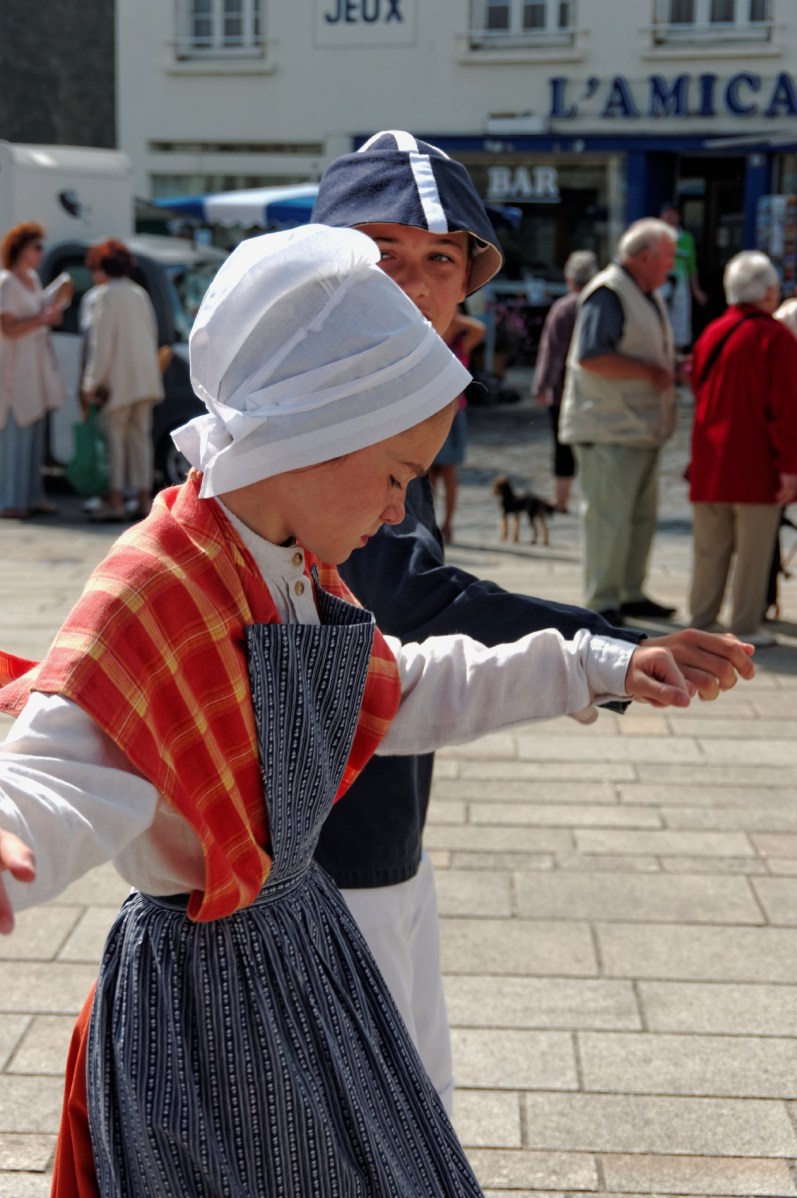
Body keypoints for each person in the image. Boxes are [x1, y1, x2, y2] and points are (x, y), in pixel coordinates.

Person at [0, 224, 698, 1197]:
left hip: (302, 959)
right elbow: (67, 751)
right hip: (203, 1018)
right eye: (396, 478)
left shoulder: (291, 567)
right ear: (308, 436)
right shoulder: (159, 583)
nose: (397, 511)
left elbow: (402, 686)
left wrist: (592, 662)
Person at [311, 133, 756, 1115]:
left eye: (439, 259)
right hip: (313, 857)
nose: (416, 285)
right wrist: (606, 643)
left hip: (372, 823)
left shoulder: (372, 387)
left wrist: (600, 652)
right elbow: (405, 603)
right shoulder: (314, 404)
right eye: (382, 253)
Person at [559, 217, 679, 626]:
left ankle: (628, 592)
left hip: (636, 428)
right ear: (643, 257)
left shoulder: (644, 292)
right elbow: (592, 355)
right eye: (666, 258)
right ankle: (603, 600)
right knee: (609, 518)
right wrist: (649, 371)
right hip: (608, 427)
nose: (671, 266)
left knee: (638, 518)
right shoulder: (609, 292)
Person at [688, 250, 797, 646]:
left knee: (709, 549)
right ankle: (746, 625)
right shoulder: (776, 337)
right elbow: (785, 408)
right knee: (753, 553)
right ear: (769, 292)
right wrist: (790, 467)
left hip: (710, 458)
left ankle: (702, 619)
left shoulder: (712, 331)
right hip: (755, 462)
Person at [81, 239, 165, 521]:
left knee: (115, 440)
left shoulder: (106, 295)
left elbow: (101, 345)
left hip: (118, 381)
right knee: (141, 438)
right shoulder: (139, 293)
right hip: (145, 378)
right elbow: (152, 334)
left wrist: (92, 383)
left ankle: (116, 499)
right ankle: (143, 499)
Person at [0, 221, 67, 518]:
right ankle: (12, 500)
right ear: (21, 248)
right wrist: (41, 318)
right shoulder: (7, 282)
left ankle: (32, 496)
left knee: (35, 436)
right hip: (15, 371)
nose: (41, 252)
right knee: (17, 436)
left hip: (36, 368)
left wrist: (49, 315)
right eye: (37, 246)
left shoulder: (33, 279)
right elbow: (8, 327)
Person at [532, 250, 598, 513]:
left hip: (564, 389)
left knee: (562, 445)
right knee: (592, 444)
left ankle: (561, 500)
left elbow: (551, 351)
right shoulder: (599, 305)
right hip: (596, 388)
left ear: (570, 279)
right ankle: (592, 498)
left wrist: (541, 385)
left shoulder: (563, 308)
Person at [428, 302, 485, 542]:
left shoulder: (463, 342)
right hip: (428, 414)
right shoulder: (433, 335)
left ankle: (448, 524)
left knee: (449, 470)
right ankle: (428, 522)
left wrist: (452, 313)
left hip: (454, 413)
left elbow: (480, 328)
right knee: (428, 473)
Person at [659, 200, 707, 351]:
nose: (669, 217)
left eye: (673, 214)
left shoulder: (687, 239)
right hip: (660, 284)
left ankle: (676, 361)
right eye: (666, 214)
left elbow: (691, 266)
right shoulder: (655, 237)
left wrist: (696, 290)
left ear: (679, 217)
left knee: (680, 325)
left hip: (681, 286)